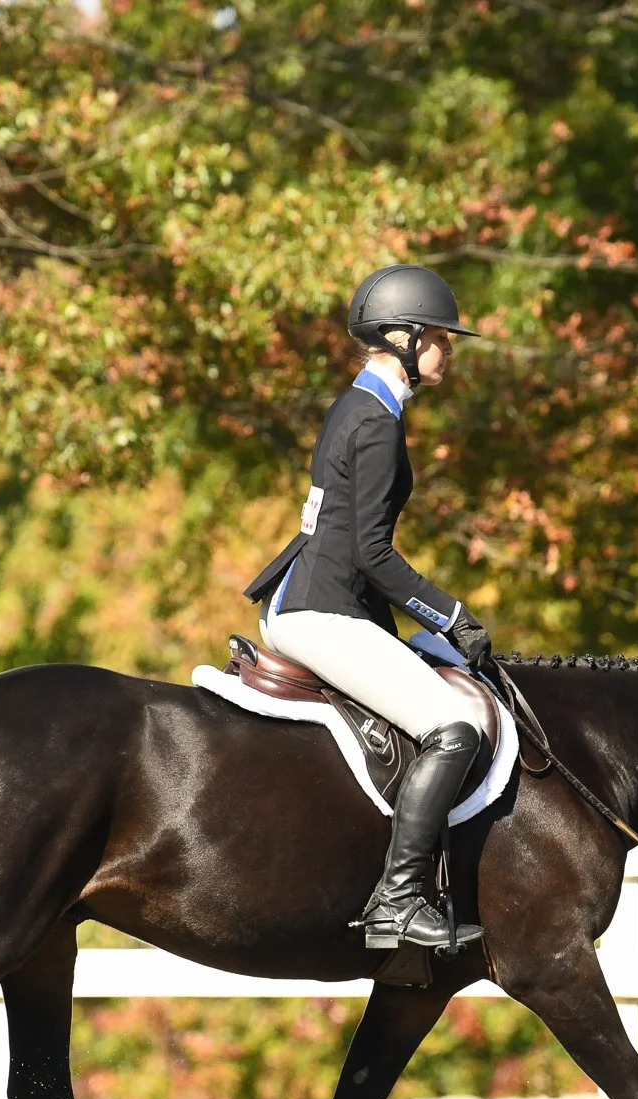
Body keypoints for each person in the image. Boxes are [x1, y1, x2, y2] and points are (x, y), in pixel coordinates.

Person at [243, 264, 497, 952]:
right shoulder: (378, 424)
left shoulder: (357, 404)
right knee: (456, 722)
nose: (451, 350)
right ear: (404, 337)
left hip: (312, 599)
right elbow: (373, 556)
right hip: (324, 610)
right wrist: (450, 615)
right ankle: (399, 899)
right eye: (442, 338)